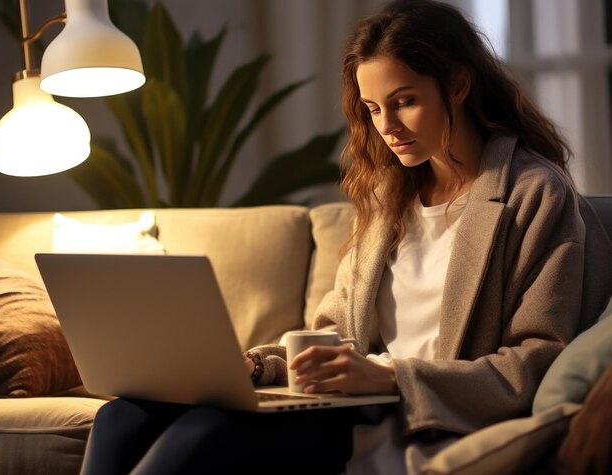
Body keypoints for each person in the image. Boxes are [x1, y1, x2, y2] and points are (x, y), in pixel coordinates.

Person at [80, 1, 612, 473]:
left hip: (412, 418)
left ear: (457, 84)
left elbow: (538, 358)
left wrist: (392, 379)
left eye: (404, 101)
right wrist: (262, 364)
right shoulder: (387, 196)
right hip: (347, 405)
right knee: (122, 416)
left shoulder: (534, 194)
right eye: (373, 109)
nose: (388, 126)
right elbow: (335, 333)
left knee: (203, 436)